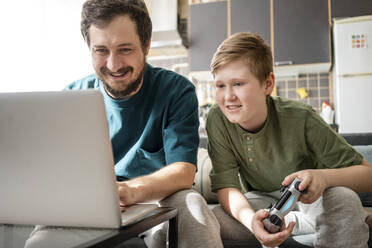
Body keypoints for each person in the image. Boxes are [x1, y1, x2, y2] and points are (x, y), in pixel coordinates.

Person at [24, 0, 223, 247]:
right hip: (92, 206)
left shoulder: (175, 91)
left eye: (125, 49)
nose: (113, 64)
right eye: (101, 51)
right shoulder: (71, 97)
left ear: (146, 46)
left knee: (192, 206)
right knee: (41, 240)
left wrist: (131, 190)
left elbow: (182, 172)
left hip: (159, 199)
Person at [206, 31, 372, 248]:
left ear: (267, 84)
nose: (227, 96)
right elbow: (227, 187)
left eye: (238, 84)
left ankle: (312, 219)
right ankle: (301, 221)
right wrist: (250, 221)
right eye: (220, 85)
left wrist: (322, 177)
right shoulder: (217, 118)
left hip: (312, 200)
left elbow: (367, 174)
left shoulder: (301, 117)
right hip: (262, 203)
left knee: (343, 199)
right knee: (207, 220)